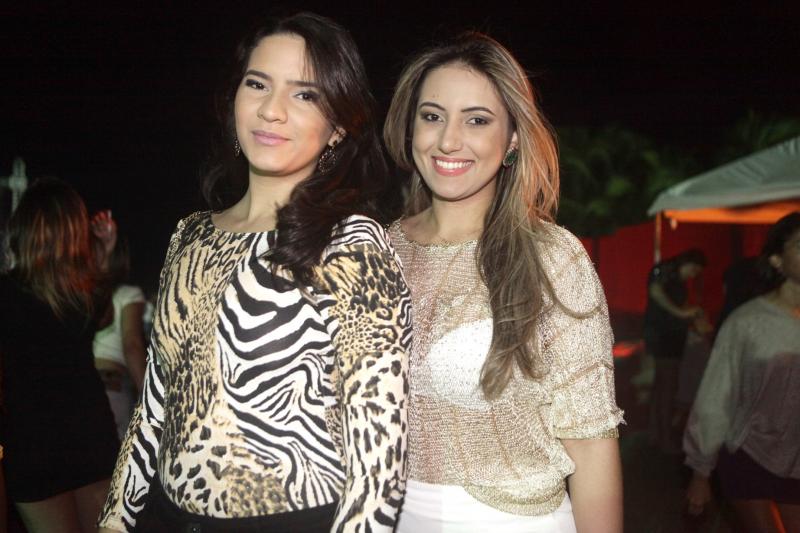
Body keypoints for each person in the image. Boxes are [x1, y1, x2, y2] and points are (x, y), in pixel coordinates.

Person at [97, 12, 410, 533]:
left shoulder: (353, 245)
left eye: (305, 94)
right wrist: (113, 521)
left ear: (338, 127)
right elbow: (153, 406)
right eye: (257, 84)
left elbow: (378, 466)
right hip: (164, 518)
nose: (271, 109)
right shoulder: (190, 236)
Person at [383, 32, 623, 532]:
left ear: (512, 138)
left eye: (477, 120)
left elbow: (591, 445)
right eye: (432, 116)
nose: (449, 140)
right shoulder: (373, 251)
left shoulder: (551, 258)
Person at [0, 177, 119, 533]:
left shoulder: (7, 294)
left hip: (32, 444)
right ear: (73, 232)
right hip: (90, 438)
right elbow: (105, 317)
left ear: (23, 230)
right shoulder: (83, 294)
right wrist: (104, 253)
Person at [684, 212, 800, 533]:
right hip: (749, 454)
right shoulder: (747, 323)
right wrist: (701, 472)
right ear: (777, 260)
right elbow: (716, 396)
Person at [642, 249, 706, 453]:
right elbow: (656, 292)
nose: (693, 275)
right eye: (693, 270)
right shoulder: (665, 271)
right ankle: (663, 437)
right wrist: (681, 313)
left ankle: (655, 433)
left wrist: (688, 313)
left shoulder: (675, 278)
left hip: (669, 335)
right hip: (664, 336)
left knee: (662, 385)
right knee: (667, 386)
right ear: (687, 262)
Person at [91, 210, 148, 439]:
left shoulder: (77, 299)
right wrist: (149, 398)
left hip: (78, 387)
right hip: (112, 388)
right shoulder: (129, 295)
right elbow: (132, 345)